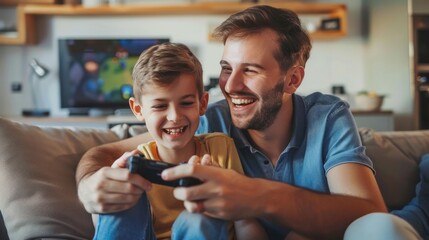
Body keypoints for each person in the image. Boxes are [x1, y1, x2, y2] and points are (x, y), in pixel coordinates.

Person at [76, 5, 388, 239]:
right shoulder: (208, 117)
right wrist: (88, 187)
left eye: (250, 70)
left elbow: (370, 215)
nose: (230, 86)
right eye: (227, 68)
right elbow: (105, 154)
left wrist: (254, 196)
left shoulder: (327, 117)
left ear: (292, 79)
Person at [91, 42, 266, 239]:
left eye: (186, 103)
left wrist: (234, 200)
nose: (174, 116)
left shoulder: (221, 149)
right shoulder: (138, 161)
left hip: (204, 230)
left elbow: (247, 224)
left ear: (203, 104)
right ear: (138, 110)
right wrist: (109, 195)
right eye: (159, 106)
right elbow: (108, 227)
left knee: (198, 216)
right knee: (121, 203)